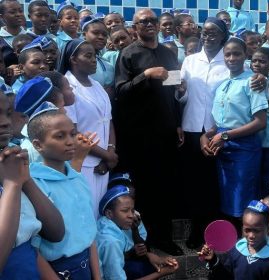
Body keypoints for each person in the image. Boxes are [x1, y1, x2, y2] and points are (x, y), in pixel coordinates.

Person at [177, 17, 267, 249]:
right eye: (204, 32)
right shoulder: (189, 61)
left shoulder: (236, 67)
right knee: (196, 184)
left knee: (219, 188)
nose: (208, 36)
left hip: (223, 135)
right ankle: (199, 232)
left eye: (214, 32)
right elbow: (183, 96)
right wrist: (180, 93)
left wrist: (262, 78)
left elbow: (252, 84)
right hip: (196, 130)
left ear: (223, 36)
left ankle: (225, 235)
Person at [114, 8, 183, 256]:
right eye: (143, 21)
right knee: (144, 190)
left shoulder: (167, 53)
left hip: (165, 132)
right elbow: (121, 91)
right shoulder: (128, 54)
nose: (150, 24)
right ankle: (143, 241)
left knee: (165, 187)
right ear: (135, 27)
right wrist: (146, 75)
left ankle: (164, 239)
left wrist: (177, 123)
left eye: (153, 20)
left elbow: (173, 93)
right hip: (140, 136)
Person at [199, 37, 268, 228]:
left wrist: (226, 136)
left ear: (246, 55)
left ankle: (247, 245)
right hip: (223, 148)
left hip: (244, 148)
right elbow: (220, 122)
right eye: (227, 54)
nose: (231, 58)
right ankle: (231, 246)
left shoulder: (253, 82)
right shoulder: (222, 85)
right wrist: (206, 135)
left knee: (243, 199)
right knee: (227, 197)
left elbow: (260, 122)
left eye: (236, 53)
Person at [28, 104, 100, 279]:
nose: (70, 141)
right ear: (38, 145)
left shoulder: (76, 177)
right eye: (60, 136)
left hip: (86, 266)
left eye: (73, 134)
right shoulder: (35, 186)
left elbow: (88, 233)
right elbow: (32, 248)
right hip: (58, 271)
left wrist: (97, 276)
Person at [0, 93, 64, 279]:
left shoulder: (9, 164)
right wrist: (12, 185)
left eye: (8, 113)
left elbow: (56, 232)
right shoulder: (10, 177)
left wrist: (25, 179)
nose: (5, 122)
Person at [58, 39, 117, 219]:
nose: (94, 60)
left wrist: (111, 153)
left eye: (95, 56)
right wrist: (107, 156)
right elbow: (73, 132)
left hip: (102, 164)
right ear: (73, 59)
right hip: (82, 162)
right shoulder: (67, 88)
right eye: (88, 56)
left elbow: (109, 121)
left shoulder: (97, 85)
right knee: (85, 212)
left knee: (99, 212)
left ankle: (98, 248)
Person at [96, 186, 179, 280]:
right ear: (109, 213)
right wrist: (162, 273)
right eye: (125, 211)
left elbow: (124, 253)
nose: (131, 215)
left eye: (132, 210)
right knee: (145, 269)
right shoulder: (111, 242)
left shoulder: (104, 223)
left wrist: (150, 256)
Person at [198, 200, 269, 280]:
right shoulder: (236, 250)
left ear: (268, 228)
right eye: (247, 230)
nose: (251, 236)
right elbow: (226, 276)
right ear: (242, 228)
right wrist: (213, 260)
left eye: (257, 231)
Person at [81, 15, 115, 97]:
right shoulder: (77, 61)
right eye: (95, 33)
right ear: (84, 35)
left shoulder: (107, 64)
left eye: (104, 35)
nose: (101, 37)